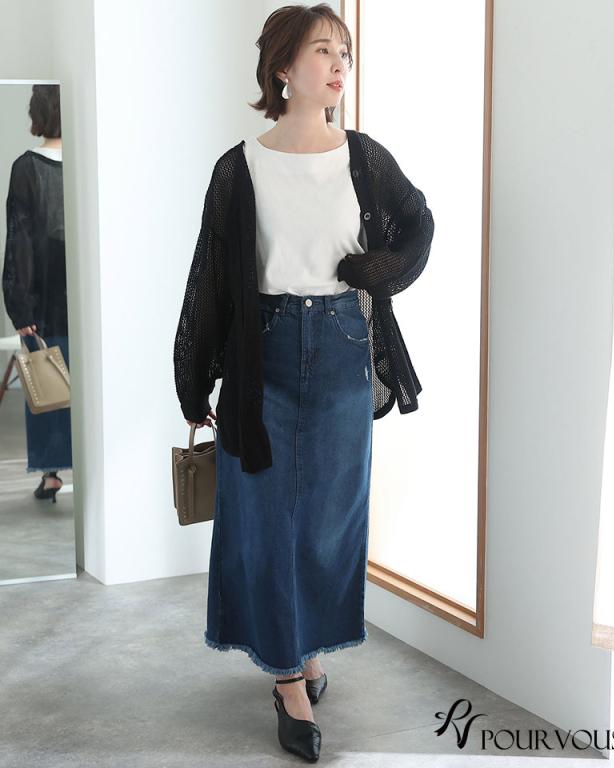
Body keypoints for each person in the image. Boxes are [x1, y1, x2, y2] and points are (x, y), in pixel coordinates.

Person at [174, 4, 434, 761]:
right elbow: (209, 280)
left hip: (344, 348)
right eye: (324, 50)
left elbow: (419, 224)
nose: (339, 63)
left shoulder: (364, 157)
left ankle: (307, 645)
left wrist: (379, 267)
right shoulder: (240, 167)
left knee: (328, 521)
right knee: (263, 521)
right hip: (264, 356)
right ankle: (288, 679)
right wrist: (194, 381)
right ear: (283, 67)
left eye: (344, 51)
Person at [2, 84, 71, 505]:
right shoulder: (90, 162)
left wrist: (19, 306)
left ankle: (51, 474)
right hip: (87, 298)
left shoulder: (25, 168)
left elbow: (20, 241)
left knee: (46, 385)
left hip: (43, 303)